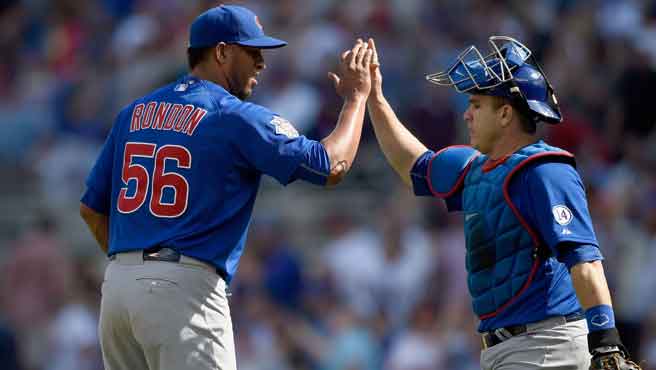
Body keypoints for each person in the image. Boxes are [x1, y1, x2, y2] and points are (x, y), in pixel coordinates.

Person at [79, 5, 373, 370]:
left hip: (119, 289)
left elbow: (91, 209)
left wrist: (139, 268)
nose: (262, 63)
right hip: (181, 289)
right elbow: (331, 166)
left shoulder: (133, 113)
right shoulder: (232, 116)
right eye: (253, 52)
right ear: (221, 52)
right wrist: (356, 99)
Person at [365, 36, 641, 370]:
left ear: (506, 113)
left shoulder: (544, 170)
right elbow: (414, 166)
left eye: (476, 105)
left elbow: (584, 261)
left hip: (547, 345)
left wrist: (606, 343)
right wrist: (374, 99)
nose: (466, 115)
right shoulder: (475, 170)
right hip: (505, 350)